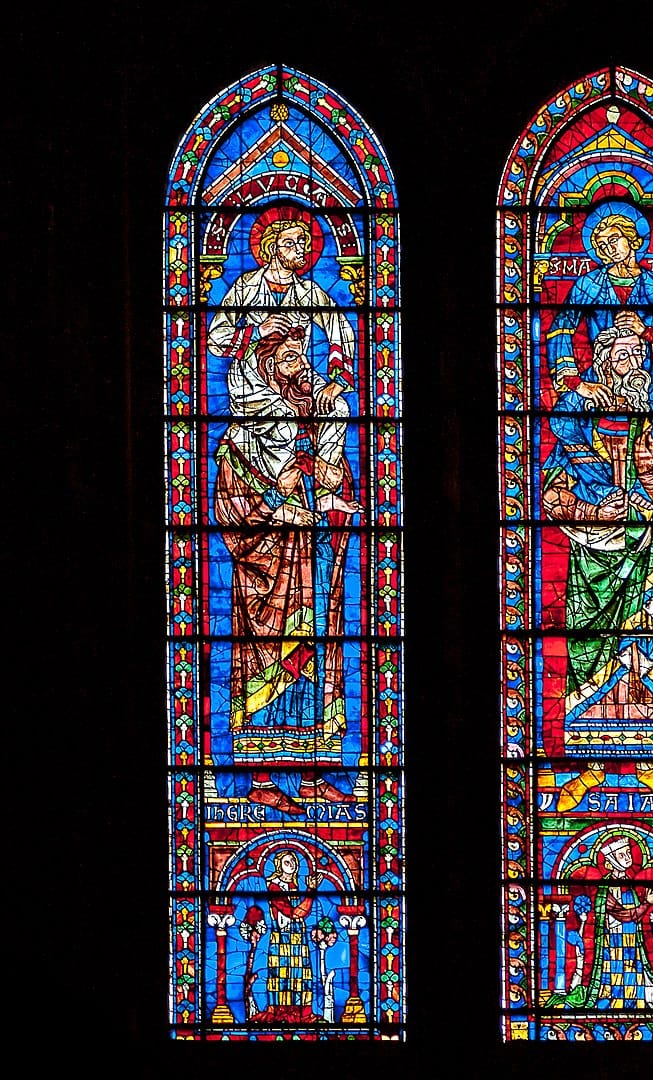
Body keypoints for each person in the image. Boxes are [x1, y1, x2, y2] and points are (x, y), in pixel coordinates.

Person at [213, 325, 361, 815]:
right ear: (265, 369)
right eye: (289, 359)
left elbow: (325, 486)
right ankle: (261, 778)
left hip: (311, 567)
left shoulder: (309, 432)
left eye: (302, 356)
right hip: (269, 573)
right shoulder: (239, 440)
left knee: (315, 665)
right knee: (268, 668)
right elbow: (231, 510)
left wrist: (335, 498)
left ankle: (315, 774)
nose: (299, 366)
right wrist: (278, 517)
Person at [541, 326, 653, 748]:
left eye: (638, 358)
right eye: (623, 359)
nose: (633, 368)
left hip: (650, 557)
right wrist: (594, 511)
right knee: (590, 655)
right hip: (593, 554)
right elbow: (552, 495)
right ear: (604, 366)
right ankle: (586, 747)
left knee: (650, 648)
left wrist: (650, 476)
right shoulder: (578, 428)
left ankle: (652, 742)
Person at [543, 212, 653, 411]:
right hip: (601, 376)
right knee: (563, 413)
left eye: (613, 240)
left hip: (647, 375)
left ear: (631, 237)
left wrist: (645, 331)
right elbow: (560, 328)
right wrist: (579, 385)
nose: (609, 249)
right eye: (603, 246)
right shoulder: (588, 284)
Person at [207, 212, 358, 409]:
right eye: (290, 243)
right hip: (252, 382)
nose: (300, 249)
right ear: (272, 249)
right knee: (284, 424)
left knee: (338, 410)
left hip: (297, 375)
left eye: (302, 241)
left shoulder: (309, 292)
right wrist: (257, 331)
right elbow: (215, 338)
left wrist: (338, 383)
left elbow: (341, 328)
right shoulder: (246, 285)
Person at [546, 835, 653, 1009]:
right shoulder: (604, 889)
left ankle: (635, 1002)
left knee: (633, 972)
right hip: (612, 940)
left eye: (628, 853)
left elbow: (633, 917)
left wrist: (645, 907)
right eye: (622, 855)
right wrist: (647, 903)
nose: (628, 857)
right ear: (610, 862)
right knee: (613, 973)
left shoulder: (629, 885)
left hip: (632, 939)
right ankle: (613, 1002)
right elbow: (624, 915)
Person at [258, 850, 320, 1022]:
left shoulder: (293, 886)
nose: (291, 865)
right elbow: (294, 913)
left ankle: (303, 1013)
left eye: (293, 861)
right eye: (287, 862)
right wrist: (311, 891)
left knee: (302, 975)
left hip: (299, 936)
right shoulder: (274, 886)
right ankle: (281, 1013)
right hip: (282, 937)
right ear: (279, 866)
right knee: (281, 975)